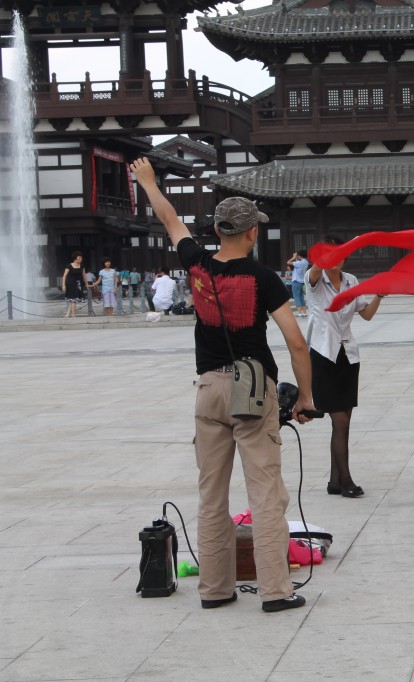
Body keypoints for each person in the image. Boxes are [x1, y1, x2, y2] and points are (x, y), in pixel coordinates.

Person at [131, 157, 315, 614]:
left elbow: (171, 219)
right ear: (252, 233)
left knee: (211, 493)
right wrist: (307, 397)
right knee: (266, 493)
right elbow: (295, 342)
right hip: (252, 390)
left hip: (208, 388)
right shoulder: (263, 278)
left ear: (216, 231)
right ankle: (275, 590)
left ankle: (215, 589)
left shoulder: (195, 264)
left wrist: (148, 181)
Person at [305, 233, 384, 497]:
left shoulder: (351, 281)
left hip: (348, 355)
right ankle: (347, 479)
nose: (336, 260)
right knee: (340, 421)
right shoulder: (314, 280)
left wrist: (379, 296)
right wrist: (324, 255)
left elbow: (367, 315)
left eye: (340, 255)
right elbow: (317, 268)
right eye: (331, 255)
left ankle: (334, 481)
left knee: (344, 419)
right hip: (323, 354)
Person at [61, 251, 89, 318]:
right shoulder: (69, 266)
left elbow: (84, 275)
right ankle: (73, 315)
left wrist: (86, 284)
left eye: (81, 258)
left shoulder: (82, 265)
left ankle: (68, 313)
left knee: (74, 299)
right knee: (73, 299)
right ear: (75, 258)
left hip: (78, 283)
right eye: (79, 257)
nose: (80, 259)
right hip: (71, 283)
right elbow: (64, 275)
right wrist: (63, 285)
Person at [287, 251, 309, 317]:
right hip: (302, 281)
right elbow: (297, 265)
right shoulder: (306, 262)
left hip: (296, 281)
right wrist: (296, 258)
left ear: (300, 256)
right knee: (301, 296)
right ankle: (304, 312)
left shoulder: (299, 263)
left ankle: (299, 313)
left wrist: (293, 257)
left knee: (296, 297)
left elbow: (288, 262)